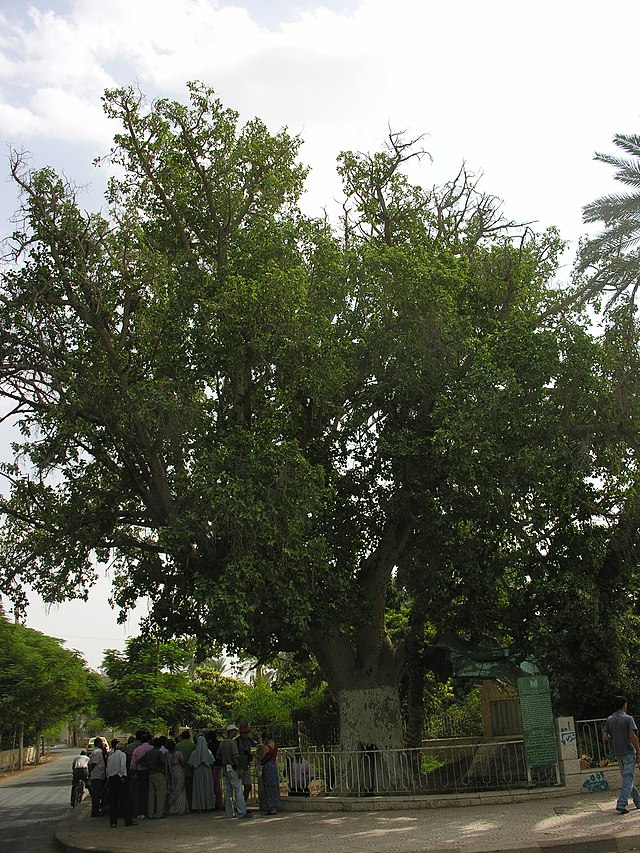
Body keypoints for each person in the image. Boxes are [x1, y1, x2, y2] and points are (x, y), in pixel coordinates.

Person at [603, 696, 640, 814]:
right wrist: (638, 751)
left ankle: (638, 801)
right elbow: (633, 737)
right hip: (629, 751)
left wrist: (614, 738)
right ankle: (621, 803)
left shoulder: (610, 719)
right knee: (628, 778)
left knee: (627, 779)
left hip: (618, 752)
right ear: (624, 705)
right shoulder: (628, 718)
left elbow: (605, 737)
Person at [216, 724, 251, 819]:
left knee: (228, 792)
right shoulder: (232, 743)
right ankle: (241, 812)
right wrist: (239, 768)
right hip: (233, 768)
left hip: (225, 768)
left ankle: (229, 813)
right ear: (231, 731)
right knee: (238, 791)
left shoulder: (222, 743)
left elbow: (218, 756)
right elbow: (236, 757)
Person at [106, 740, 137, 827]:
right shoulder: (122, 755)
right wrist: (122, 776)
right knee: (125, 800)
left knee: (113, 801)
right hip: (120, 778)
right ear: (123, 749)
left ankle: (113, 822)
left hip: (112, 779)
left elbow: (107, 769)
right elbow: (122, 765)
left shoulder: (111, 757)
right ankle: (128, 820)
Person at [139, 737, 167, 819]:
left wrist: (149, 766)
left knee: (151, 795)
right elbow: (163, 762)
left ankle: (150, 813)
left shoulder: (149, 753)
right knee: (160, 794)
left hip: (151, 774)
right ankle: (159, 813)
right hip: (158, 774)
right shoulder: (159, 753)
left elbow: (140, 760)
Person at [188, 734, 215, 811]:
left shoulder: (194, 753)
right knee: (207, 788)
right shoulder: (208, 752)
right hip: (207, 771)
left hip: (198, 772)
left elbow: (191, 763)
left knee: (198, 788)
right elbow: (212, 762)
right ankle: (207, 806)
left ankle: (199, 806)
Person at [257, 730, 281, 815]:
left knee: (268, 787)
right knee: (274, 786)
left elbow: (261, 758)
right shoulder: (275, 745)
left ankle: (271, 807)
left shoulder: (266, 748)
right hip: (274, 766)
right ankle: (276, 805)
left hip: (268, 767)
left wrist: (257, 755)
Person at [130, 733, 153, 819]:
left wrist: (134, 773)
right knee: (150, 792)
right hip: (151, 772)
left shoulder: (137, 750)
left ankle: (140, 812)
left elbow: (133, 764)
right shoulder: (152, 749)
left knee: (140, 793)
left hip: (140, 773)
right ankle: (150, 810)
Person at [164, 739, 189, 816]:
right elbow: (182, 762)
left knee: (172, 789)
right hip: (178, 771)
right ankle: (181, 809)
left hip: (170, 772)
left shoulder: (167, 754)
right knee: (181, 789)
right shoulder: (178, 753)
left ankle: (172, 809)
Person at [175, 729, 196, 809]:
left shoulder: (178, 746)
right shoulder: (193, 746)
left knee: (181, 789)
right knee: (190, 789)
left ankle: (183, 805)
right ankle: (191, 805)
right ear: (189, 736)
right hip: (191, 769)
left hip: (180, 770)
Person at [88, 736, 108, 817]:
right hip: (97, 776)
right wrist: (90, 773)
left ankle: (101, 809)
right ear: (98, 743)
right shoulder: (97, 752)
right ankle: (95, 811)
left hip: (101, 775)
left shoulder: (100, 751)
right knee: (96, 795)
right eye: (101, 743)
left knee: (101, 794)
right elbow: (92, 764)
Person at [237, 722, 255, 802]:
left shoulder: (249, 740)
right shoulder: (237, 741)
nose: (246, 734)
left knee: (248, 786)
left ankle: (242, 804)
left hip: (246, 766)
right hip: (239, 766)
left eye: (247, 732)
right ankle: (240, 805)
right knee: (238, 788)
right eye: (244, 733)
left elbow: (258, 745)